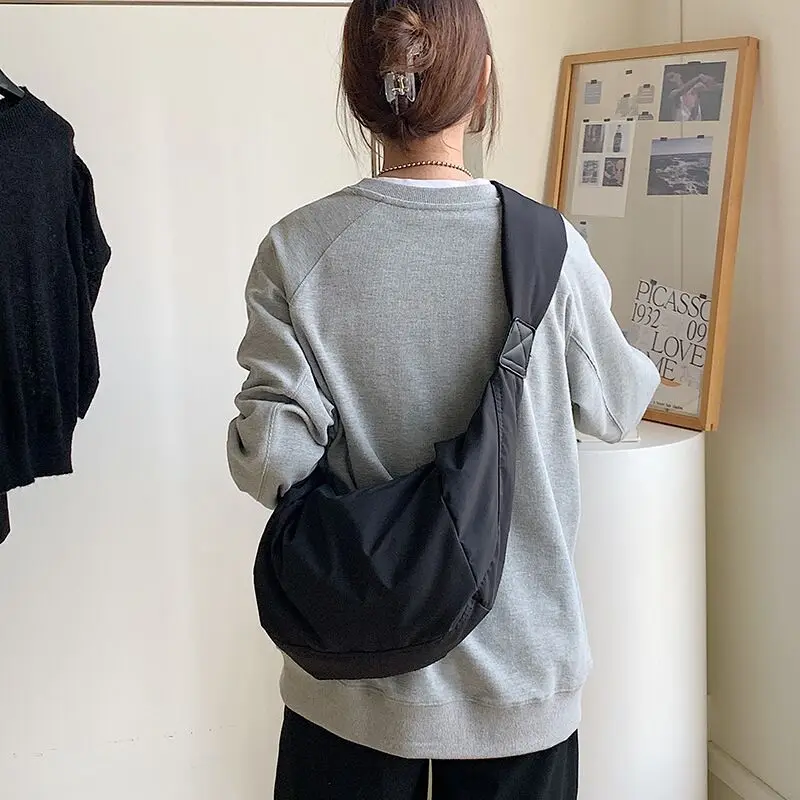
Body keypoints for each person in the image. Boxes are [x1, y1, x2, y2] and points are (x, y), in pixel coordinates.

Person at [226, 1, 660, 797]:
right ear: (482, 84)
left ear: (357, 91)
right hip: (519, 684)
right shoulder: (551, 249)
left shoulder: (297, 248)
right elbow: (619, 404)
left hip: (351, 679)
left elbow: (273, 460)